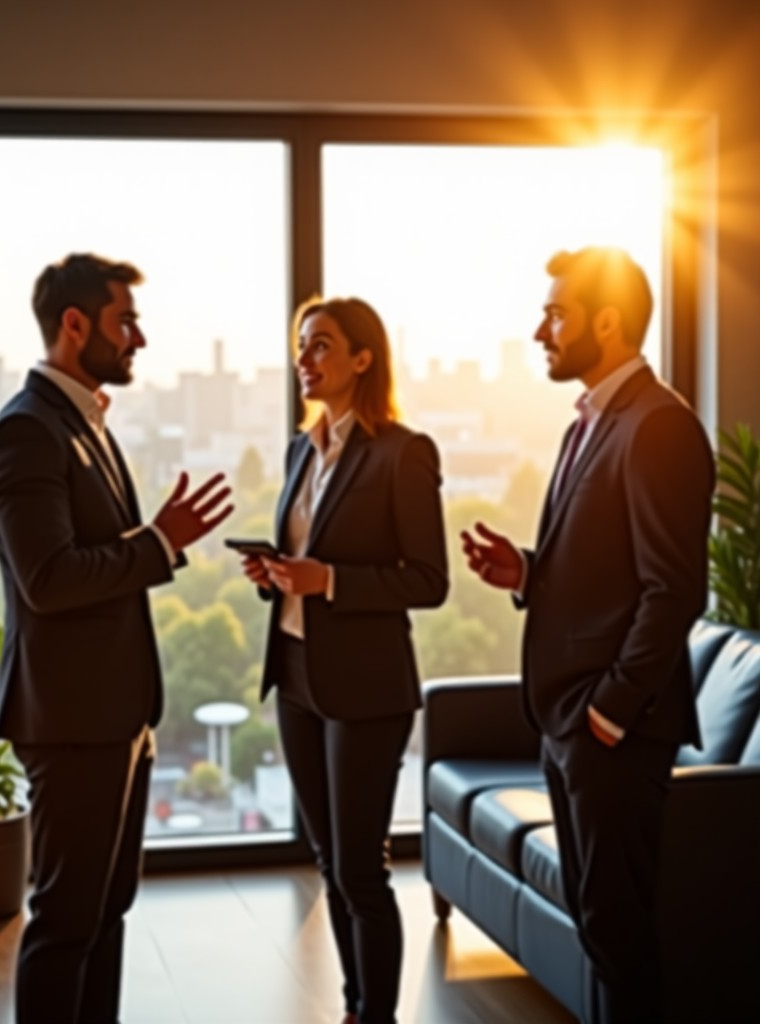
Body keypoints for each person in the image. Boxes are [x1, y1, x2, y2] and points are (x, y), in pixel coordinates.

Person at [0, 252, 233, 1024]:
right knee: (65, 922)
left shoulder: (81, 422)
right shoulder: (26, 432)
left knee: (103, 913)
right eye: (127, 322)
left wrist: (156, 542)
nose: (140, 341)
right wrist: (159, 542)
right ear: (75, 324)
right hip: (73, 720)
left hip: (116, 716)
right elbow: (47, 580)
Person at [461, 247, 714, 1024]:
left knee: (619, 934)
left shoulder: (660, 426)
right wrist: (528, 574)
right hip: (571, 724)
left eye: (557, 313)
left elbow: (673, 592)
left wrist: (608, 712)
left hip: (609, 733)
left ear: (608, 321)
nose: (542, 329)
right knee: (601, 931)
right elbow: (610, 575)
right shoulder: (593, 424)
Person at [241, 296, 448, 1024]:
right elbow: (308, 555)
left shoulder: (404, 451)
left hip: (368, 688)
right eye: (302, 345)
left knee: (362, 869)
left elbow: (429, 580)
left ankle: (377, 1017)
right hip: (297, 677)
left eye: (322, 345)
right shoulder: (303, 448)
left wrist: (328, 580)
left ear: (364, 358)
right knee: (330, 865)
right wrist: (280, 573)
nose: (306, 359)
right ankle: (355, 1007)